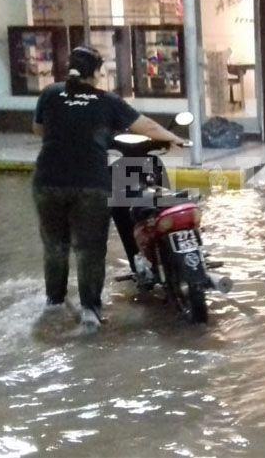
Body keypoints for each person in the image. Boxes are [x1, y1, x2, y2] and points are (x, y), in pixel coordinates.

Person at [32, 45, 184, 329]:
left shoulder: (50, 94)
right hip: (90, 184)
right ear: (97, 73)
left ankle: (54, 304)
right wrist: (175, 139)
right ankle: (90, 310)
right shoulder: (106, 100)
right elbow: (147, 126)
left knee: (55, 246)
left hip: (47, 181)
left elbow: (39, 131)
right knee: (90, 248)